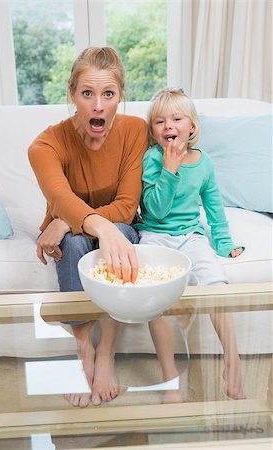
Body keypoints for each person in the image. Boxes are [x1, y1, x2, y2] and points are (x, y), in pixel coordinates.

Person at [28, 47, 148, 408]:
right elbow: (59, 195)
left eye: (108, 94)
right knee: (79, 243)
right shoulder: (44, 145)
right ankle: (83, 349)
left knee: (92, 238)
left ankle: (106, 350)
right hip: (78, 238)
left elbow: (127, 206)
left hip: (120, 229)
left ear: (120, 96)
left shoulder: (134, 130)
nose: (98, 105)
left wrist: (68, 222)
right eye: (87, 94)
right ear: (72, 94)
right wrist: (87, 223)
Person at [135, 87, 246, 401]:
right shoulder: (153, 159)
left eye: (177, 118)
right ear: (153, 131)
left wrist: (224, 244)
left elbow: (214, 209)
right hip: (155, 235)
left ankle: (233, 365)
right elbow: (154, 208)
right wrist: (169, 169)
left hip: (190, 236)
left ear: (192, 127)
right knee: (155, 299)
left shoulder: (204, 162)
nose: (168, 126)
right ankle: (170, 379)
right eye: (159, 121)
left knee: (217, 287)